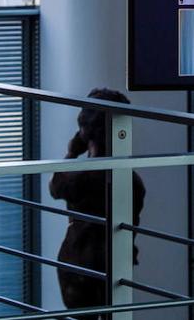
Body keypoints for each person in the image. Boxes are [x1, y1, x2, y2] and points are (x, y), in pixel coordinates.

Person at [49, 88, 147, 319]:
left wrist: (71, 153)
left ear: (85, 130)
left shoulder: (81, 178)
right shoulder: (130, 179)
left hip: (79, 264)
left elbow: (55, 187)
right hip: (117, 262)